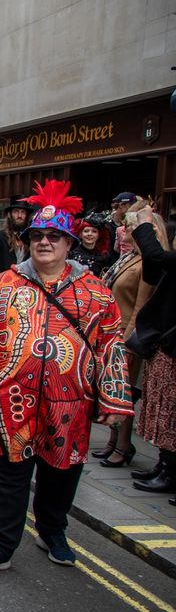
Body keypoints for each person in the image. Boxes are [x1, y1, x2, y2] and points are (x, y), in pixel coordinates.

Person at [0, 180, 133, 577]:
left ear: (69, 243)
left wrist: (112, 399)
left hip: (70, 404)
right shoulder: (3, 284)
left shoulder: (95, 293)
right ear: (27, 241)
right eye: (37, 236)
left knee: (62, 473)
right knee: (10, 475)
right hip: (13, 403)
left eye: (54, 236)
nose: (44, 242)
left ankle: (53, 530)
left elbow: (111, 345)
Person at [91, 225, 153, 469]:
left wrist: (126, 342)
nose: (120, 232)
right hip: (111, 332)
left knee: (123, 393)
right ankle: (113, 440)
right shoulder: (127, 258)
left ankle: (123, 446)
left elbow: (140, 306)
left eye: (127, 228)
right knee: (111, 388)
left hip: (125, 336)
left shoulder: (144, 262)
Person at [126, 205, 176, 500]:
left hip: (171, 343)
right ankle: (165, 466)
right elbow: (155, 267)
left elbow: (156, 256)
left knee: (169, 412)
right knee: (161, 408)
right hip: (165, 341)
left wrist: (144, 224)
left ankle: (170, 473)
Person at [0, 195, 32, 273]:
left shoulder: (30, 239)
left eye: (23, 212)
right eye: (16, 211)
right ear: (9, 214)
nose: (20, 216)